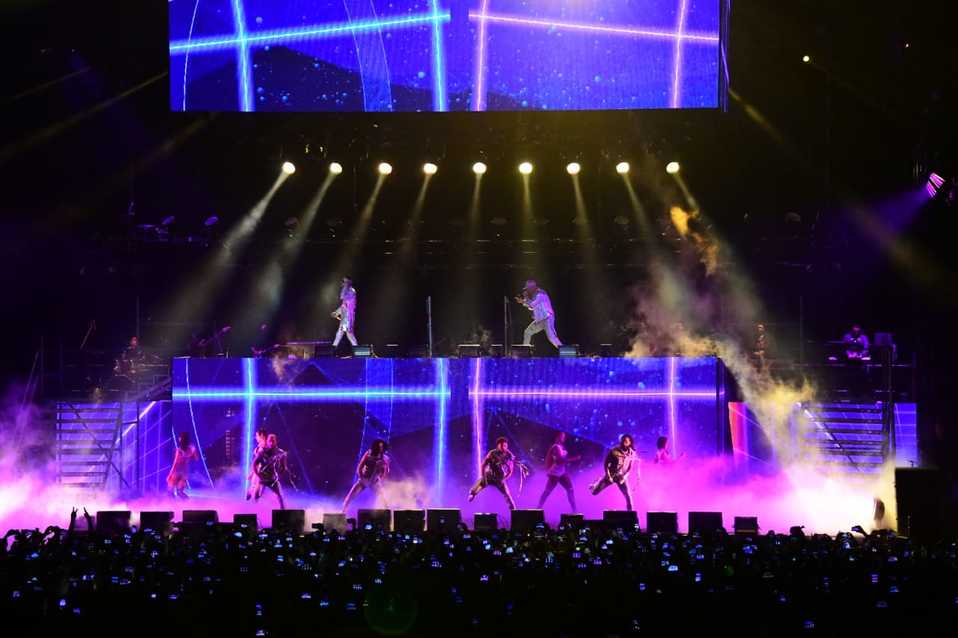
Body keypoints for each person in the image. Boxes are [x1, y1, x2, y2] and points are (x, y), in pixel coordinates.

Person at [468, 437, 520, 510]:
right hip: (489, 475)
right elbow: (483, 465)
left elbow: (510, 470)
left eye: (505, 446)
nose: (503, 447)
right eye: (502, 446)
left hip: (499, 478)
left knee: (507, 494)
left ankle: (513, 510)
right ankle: (472, 493)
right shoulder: (492, 453)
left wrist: (504, 478)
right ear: (498, 446)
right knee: (481, 483)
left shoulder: (509, 456)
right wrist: (483, 476)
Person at [589, 434, 637, 511]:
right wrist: (608, 476)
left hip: (622, 477)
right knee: (594, 492)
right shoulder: (614, 450)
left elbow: (630, 468)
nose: (623, 443)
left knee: (628, 496)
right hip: (611, 474)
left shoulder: (632, 453)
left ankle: (631, 514)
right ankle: (595, 484)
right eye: (622, 441)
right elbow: (606, 464)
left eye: (626, 441)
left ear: (630, 443)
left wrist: (624, 477)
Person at [342, 439, 391, 512]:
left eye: (382, 446)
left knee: (383, 498)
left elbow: (386, 471)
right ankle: (343, 511)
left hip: (374, 482)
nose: (380, 448)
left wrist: (380, 478)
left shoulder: (385, 458)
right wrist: (361, 476)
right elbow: (361, 465)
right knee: (351, 496)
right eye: (379, 446)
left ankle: (388, 513)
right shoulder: (368, 453)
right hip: (364, 479)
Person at [537, 432, 580, 511]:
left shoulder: (561, 447)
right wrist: (574, 459)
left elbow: (563, 460)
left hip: (562, 472)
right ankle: (538, 508)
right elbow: (559, 461)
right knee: (547, 491)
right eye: (562, 436)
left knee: (570, 489)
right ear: (557, 437)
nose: (564, 438)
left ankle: (575, 510)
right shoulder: (555, 447)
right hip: (555, 473)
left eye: (564, 436)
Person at [516, 279, 562, 350]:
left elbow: (532, 305)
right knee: (527, 332)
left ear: (532, 287)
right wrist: (525, 300)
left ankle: (567, 353)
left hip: (547, 318)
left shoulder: (541, 293)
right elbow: (531, 307)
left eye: (528, 289)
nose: (527, 291)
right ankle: (525, 352)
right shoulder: (533, 295)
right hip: (540, 320)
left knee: (552, 338)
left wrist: (524, 301)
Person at [251, 433, 288, 509]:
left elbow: (284, 467)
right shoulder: (262, 452)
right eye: (269, 441)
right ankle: (252, 507)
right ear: (267, 442)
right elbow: (254, 464)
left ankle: (283, 513)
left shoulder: (281, 453)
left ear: (276, 441)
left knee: (280, 497)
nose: (271, 443)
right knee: (257, 496)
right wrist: (258, 475)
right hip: (262, 479)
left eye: (273, 441)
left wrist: (279, 475)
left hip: (273, 479)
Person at [166, 432, 199, 499]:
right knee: (180, 492)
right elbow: (196, 458)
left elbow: (175, 463)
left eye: (179, 437)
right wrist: (189, 456)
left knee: (170, 492)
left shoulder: (179, 450)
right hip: (184, 471)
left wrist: (170, 474)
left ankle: (173, 504)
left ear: (181, 439)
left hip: (177, 471)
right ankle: (187, 504)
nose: (178, 438)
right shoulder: (192, 448)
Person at [332, 276, 358, 349]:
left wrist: (345, 287)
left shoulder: (351, 291)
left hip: (348, 317)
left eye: (345, 281)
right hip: (345, 317)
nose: (343, 283)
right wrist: (336, 312)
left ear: (349, 282)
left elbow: (343, 298)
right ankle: (332, 349)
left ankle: (359, 351)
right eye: (343, 281)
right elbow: (343, 306)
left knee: (348, 334)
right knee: (342, 334)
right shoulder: (347, 292)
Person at [246, 428, 268, 501]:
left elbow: (258, 461)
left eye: (257, 435)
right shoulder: (261, 446)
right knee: (254, 490)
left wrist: (252, 473)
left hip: (261, 471)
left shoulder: (264, 446)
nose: (256, 437)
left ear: (262, 435)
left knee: (256, 491)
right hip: (259, 471)